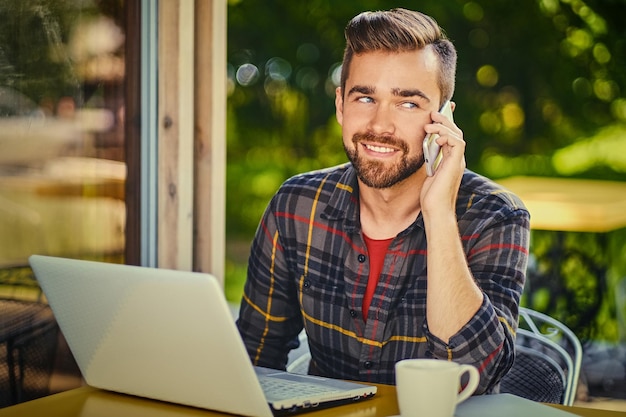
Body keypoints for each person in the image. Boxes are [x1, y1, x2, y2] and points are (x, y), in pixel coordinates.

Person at [236, 8, 530, 394]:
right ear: (341, 105)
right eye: (365, 98)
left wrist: (439, 213)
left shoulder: (495, 215)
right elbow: (254, 360)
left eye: (407, 103)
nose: (379, 125)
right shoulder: (295, 206)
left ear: (442, 118)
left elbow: (471, 375)